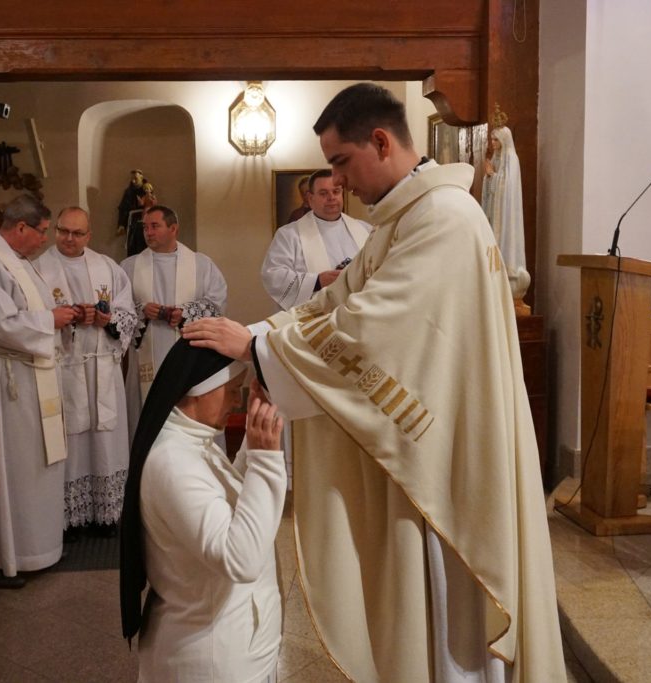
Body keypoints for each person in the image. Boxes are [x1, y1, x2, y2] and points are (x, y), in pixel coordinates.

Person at [184, 83, 563, 681]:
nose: (338, 182)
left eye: (341, 162)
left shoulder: (443, 219)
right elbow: (332, 302)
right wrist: (256, 335)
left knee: (448, 610)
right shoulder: (404, 219)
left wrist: (259, 348)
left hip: (446, 456)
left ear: (381, 142)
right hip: (422, 440)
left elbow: (370, 331)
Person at [120, 339, 286, 682]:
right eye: (232, 390)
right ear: (200, 389)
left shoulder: (191, 442)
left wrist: (252, 445)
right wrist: (265, 460)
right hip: (211, 658)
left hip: (233, 644)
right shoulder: (173, 462)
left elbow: (230, 500)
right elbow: (240, 559)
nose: (236, 401)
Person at [0, 195, 75, 590]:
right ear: (21, 227)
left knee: (36, 463)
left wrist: (59, 318)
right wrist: (51, 320)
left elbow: (30, 314)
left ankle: (39, 546)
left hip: (29, 374)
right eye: (41, 231)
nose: (45, 239)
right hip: (4, 380)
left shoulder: (19, 262)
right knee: (8, 464)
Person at [36, 206, 138, 539]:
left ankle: (106, 515)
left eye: (77, 233)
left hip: (102, 367)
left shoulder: (107, 268)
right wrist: (67, 317)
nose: (69, 238)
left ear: (88, 235)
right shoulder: (38, 270)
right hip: (64, 368)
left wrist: (106, 320)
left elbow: (128, 314)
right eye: (63, 231)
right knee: (71, 442)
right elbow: (33, 317)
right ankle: (71, 517)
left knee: (105, 440)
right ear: (55, 231)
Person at [121, 205, 228, 438]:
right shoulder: (129, 267)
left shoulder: (201, 265)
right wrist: (141, 310)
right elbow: (119, 310)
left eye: (155, 226)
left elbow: (217, 303)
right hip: (148, 354)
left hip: (189, 353)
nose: (148, 232)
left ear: (173, 229)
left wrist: (185, 313)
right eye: (145, 227)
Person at [262, 168, 373, 311]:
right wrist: (317, 281)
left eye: (336, 191)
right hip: (315, 316)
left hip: (360, 312)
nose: (331, 197)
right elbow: (273, 276)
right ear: (310, 198)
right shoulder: (289, 235)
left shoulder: (366, 229)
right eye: (323, 193)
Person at [481, 124, 531, 307]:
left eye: (496, 140)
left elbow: (507, 190)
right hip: (495, 214)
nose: (493, 143)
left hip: (506, 216)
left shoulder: (511, 159)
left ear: (504, 140)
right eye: (492, 139)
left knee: (505, 246)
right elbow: (491, 188)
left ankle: (509, 274)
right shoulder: (496, 158)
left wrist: (492, 175)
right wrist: (488, 177)